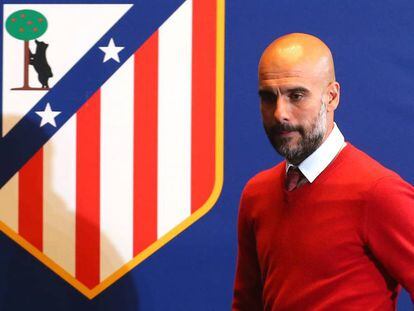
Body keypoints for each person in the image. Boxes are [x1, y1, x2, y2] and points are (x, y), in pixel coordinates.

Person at [232, 33, 414, 310]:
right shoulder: (256, 194)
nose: (280, 112)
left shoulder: (379, 192)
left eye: (296, 95)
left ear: (331, 97)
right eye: (269, 97)